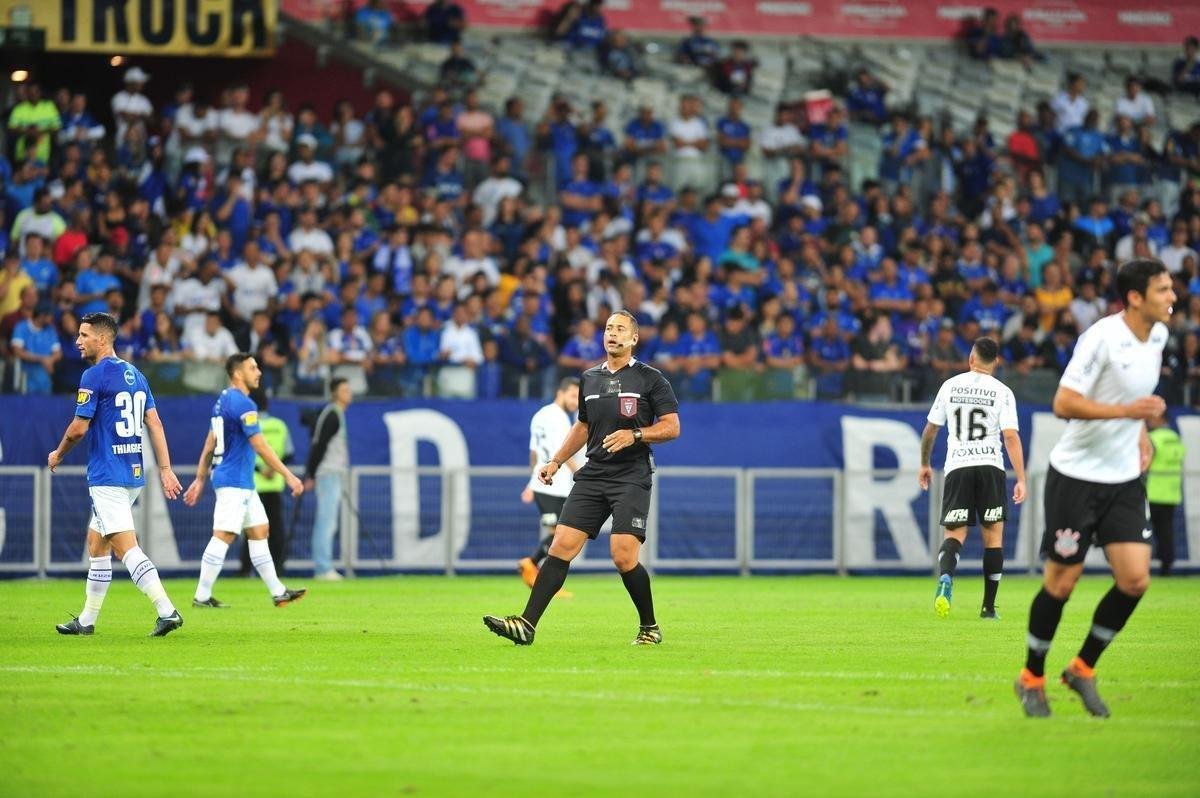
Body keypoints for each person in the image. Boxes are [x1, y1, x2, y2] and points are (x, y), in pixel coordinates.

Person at [1016, 259, 1175, 719]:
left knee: (1135, 579)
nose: (1172, 298)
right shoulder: (1102, 337)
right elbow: (1063, 403)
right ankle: (1031, 676)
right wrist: (1128, 414)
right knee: (1062, 583)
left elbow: (1134, 400)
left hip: (1123, 477)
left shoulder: (1160, 336)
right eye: (1163, 290)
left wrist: (1139, 431)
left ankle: (1082, 668)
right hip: (1077, 477)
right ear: (1135, 298)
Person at [484, 310, 681, 646]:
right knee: (561, 545)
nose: (612, 334)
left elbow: (672, 427)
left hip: (631, 475)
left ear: (634, 339)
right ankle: (527, 625)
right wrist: (556, 461)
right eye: (608, 328)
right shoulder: (589, 378)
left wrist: (635, 436)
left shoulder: (651, 379)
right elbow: (583, 426)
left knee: (622, 555)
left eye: (620, 329)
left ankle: (649, 627)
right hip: (595, 473)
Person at [49, 311, 184, 637]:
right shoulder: (136, 374)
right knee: (97, 544)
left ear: (103, 338)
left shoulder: (94, 376)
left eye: (84, 335)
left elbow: (79, 428)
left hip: (107, 475)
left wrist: (58, 453)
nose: (78, 341)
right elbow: (155, 423)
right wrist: (164, 468)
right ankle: (87, 620)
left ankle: (167, 611)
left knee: (126, 548)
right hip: (132, 472)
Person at [184, 354, 305, 608]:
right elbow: (260, 445)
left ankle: (278, 591)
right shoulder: (244, 404)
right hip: (235, 481)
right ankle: (202, 596)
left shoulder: (222, 401)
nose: (259, 372)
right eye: (253, 368)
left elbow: (210, 443)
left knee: (260, 531)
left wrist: (200, 479)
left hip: (239, 481)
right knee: (224, 536)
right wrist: (289, 475)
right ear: (238, 374)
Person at [918, 337, 1026, 620]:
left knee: (955, 534)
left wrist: (924, 464)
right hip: (990, 465)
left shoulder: (950, 386)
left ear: (971, 358)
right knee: (993, 538)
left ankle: (946, 578)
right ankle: (988, 608)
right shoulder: (1003, 392)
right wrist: (1022, 478)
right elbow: (1011, 436)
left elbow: (931, 430)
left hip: (958, 466)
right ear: (997, 363)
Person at [518, 377, 585, 589]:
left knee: (560, 536)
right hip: (553, 486)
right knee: (560, 537)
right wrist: (584, 476)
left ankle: (538, 573)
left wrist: (532, 481)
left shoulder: (541, 415)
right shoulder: (558, 418)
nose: (576, 402)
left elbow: (534, 453)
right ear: (560, 392)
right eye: (573, 396)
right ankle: (532, 565)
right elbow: (562, 453)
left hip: (550, 485)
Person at [236, 390, 295, 575]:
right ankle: (279, 568)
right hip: (275, 485)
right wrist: (274, 468)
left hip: (253, 485)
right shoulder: (280, 425)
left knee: (251, 529)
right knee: (276, 528)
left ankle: (246, 570)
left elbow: (242, 454)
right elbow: (289, 453)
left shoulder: (248, 424)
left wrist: (261, 469)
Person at [305, 377, 353, 580]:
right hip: (328, 473)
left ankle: (323, 566)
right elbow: (319, 444)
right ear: (334, 393)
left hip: (332, 473)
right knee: (326, 521)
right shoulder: (332, 415)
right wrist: (311, 473)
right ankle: (323, 567)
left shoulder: (336, 414)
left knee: (328, 520)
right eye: (344, 390)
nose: (348, 393)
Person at [1145, 411, 1184, 577]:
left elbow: (1145, 461)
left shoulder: (1153, 438)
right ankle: (1166, 565)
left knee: (1143, 530)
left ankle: (1138, 565)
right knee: (1166, 531)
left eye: (1151, 417)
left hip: (1153, 492)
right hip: (1172, 492)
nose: (1148, 421)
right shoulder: (1176, 438)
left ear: (1161, 418)